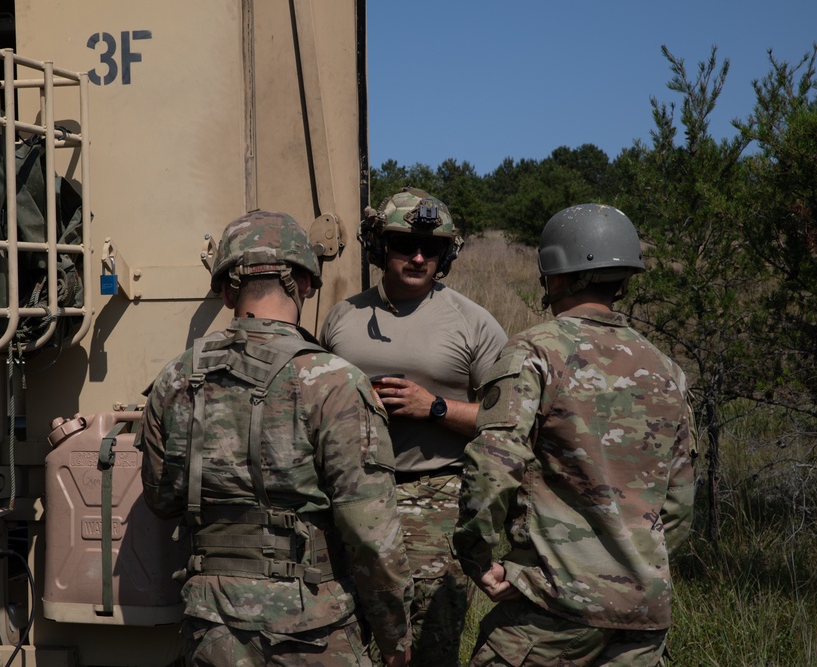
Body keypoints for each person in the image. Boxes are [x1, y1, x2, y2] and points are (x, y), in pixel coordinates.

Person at [136, 210, 413, 667]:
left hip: (211, 626)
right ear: (304, 283)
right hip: (311, 630)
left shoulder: (175, 377)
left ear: (226, 290)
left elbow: (162, 500)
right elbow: (372, 536)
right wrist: (395, 639)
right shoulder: (333, 380)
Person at [454, 203, 697, 666]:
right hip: (643, 618)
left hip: (551, 610)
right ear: (623, 278)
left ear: (555, 274)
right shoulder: (668, 371)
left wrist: (477, 557)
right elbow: (679, 507)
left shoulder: (533, 352)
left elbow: (493, 467)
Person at [320, 188, 508, 666]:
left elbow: (507, 422)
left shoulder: (474, 323)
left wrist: (436, 408)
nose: (419, 256)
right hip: (348, 498)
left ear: (447, 255)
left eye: (433, 248)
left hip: (437, 501)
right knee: (351, 638)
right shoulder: (343, 317)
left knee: (431, 639)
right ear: (381, 247)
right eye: (405, 244)